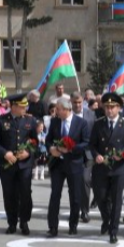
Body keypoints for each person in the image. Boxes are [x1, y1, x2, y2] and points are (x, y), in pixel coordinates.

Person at [89, 93, 124, 244]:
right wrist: (96, 155)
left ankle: (113, 230)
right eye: (107, 107)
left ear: (119, 108)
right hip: (101, 168)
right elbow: (92, 144)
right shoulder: (98, 124)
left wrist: (123, 155)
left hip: (118, 168)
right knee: (101, 197)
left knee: (116, 200)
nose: (109, 110)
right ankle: (106, 219)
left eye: (113, 107)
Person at [0, 93, 38, 235]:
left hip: (24, 164)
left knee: (25, 193)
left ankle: (24, 221)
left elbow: (35, 142)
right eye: (22, 107)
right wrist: (5, 153)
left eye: (25, 106)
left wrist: (28, 152)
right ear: (14, 107)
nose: (25, 109)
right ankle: (12, 222)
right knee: (9, 194)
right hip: (7, 163)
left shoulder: (30, 121)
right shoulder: (0, 120)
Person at [45, 97, 89, 237]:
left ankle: (73, 224)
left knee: (75, 196)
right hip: (58, 164)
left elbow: (86, 143)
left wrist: (71, 149)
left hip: (74, 163)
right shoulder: (55, 122)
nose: (56, 112)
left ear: (66, 110)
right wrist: (51, 148)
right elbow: (48, 140)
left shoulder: (81, 123)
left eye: (58, 110)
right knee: (55, 195)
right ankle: (52, 226)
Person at [71, 92, 96, 223]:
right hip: (71, 154)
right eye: (75, 102)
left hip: (87, 154)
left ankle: (84, 211)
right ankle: (74, 209)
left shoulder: (90, 114)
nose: (78, 105)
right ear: (71, 102)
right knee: (74, 184)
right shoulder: (66, 115)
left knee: (85, 180)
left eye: (80, 102)